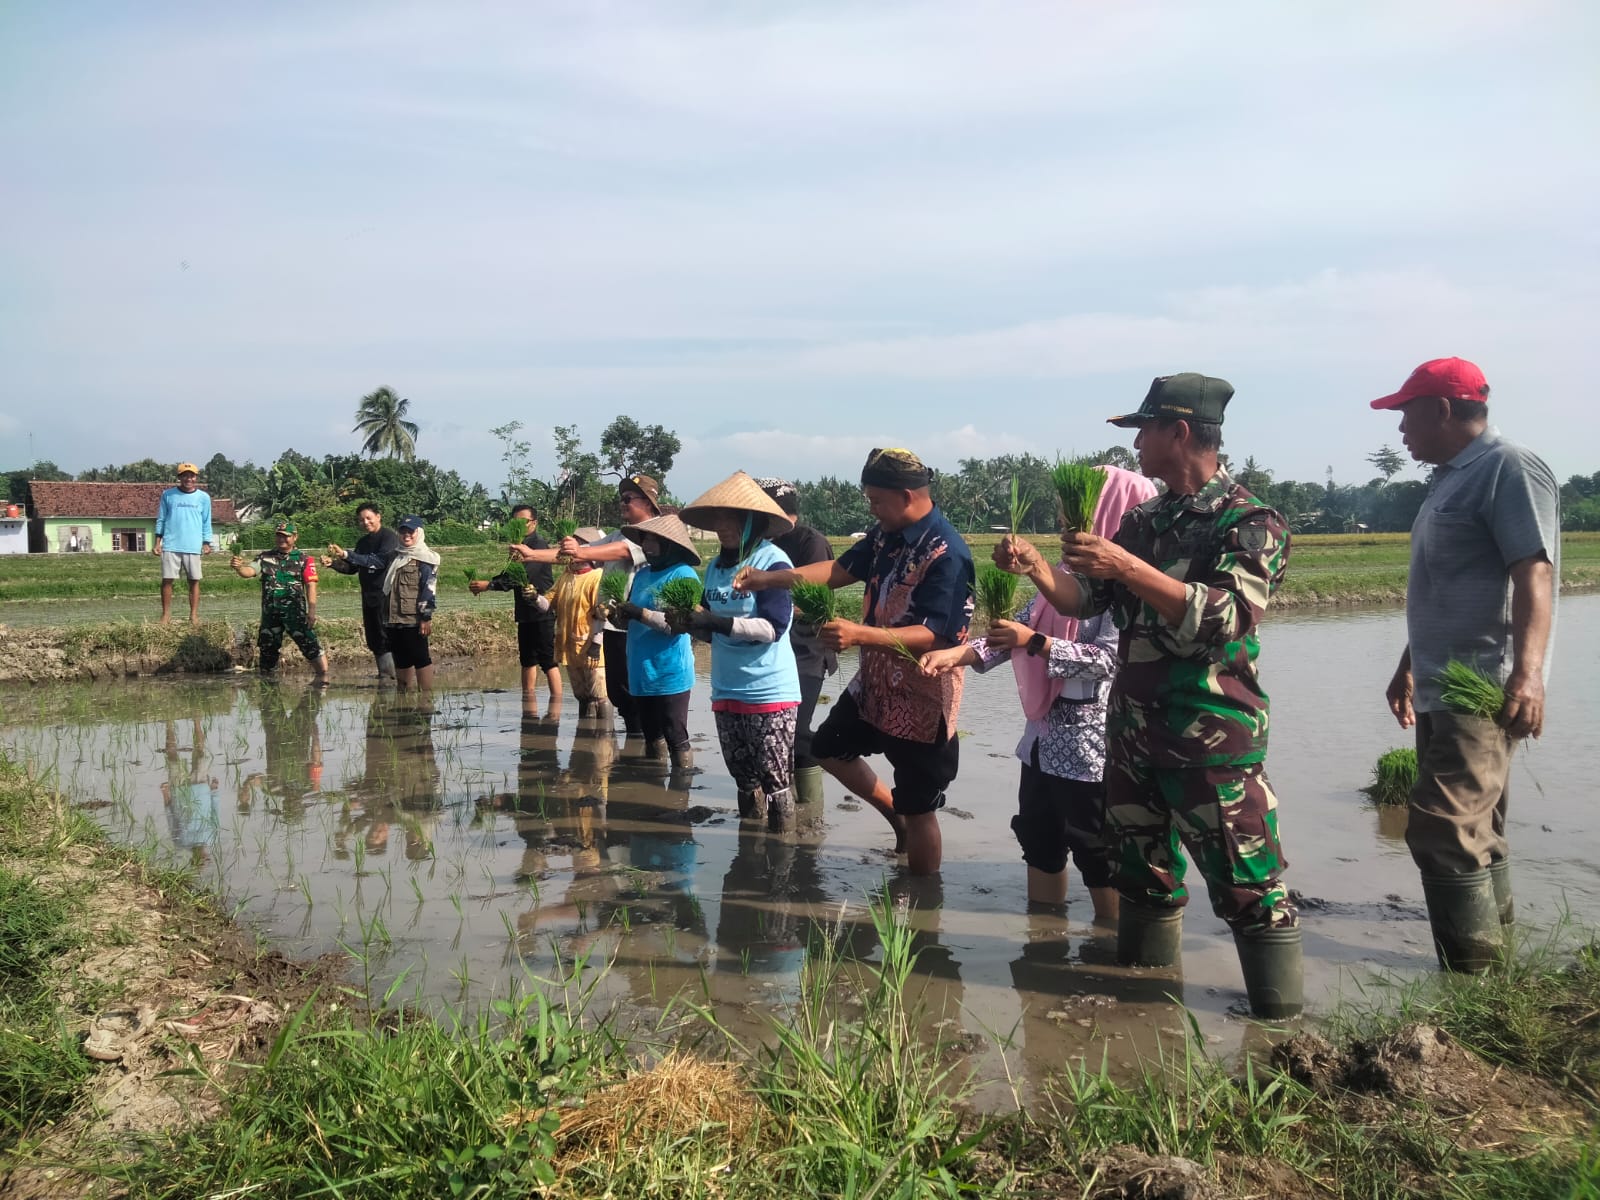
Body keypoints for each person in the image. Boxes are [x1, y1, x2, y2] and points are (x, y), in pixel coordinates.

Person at [994, 374, 1300, 1019]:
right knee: (1142, 877)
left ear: (1179, 432)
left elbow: (1221, 619)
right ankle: (1145, 1016)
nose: (1136, 444)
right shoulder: (1144, 519)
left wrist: (1126, 565)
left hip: (1209, 736)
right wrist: (1039, 569)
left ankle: (1282, 1033)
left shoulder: (1249, 521)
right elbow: (1087, 602)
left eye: (1144, 429)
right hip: (1131, 734)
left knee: (1250, 883)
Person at [1370, 357, 1559, 972]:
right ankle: (1500, 976)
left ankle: (1471, 984)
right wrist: (1410, 663)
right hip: (1442, 684)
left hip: (1480, 687)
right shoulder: (1450, 479)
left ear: (1443, 409)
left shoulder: (1508, 468)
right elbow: (1442, 584)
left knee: (1442, 830)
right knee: (1477, 831)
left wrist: (1527, 674)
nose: (1401, 430)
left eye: (1407, 414)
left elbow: (1533, 570)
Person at [921, 467, 1157, 921]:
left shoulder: (1130, 585)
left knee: (1095, 848)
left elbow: (1111, 659)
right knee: (1039, 838)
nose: (1069, 522)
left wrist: (1038, 643)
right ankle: (1043, 944)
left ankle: (1112, 944)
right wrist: (957, 655)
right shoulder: (1063, 580)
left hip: (1092, 747)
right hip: (1044, 742)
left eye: (1081, 511)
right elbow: (1014, 635)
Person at [737, 448, 974, 875]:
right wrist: (768, 578)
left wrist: (860, 634)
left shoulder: (946, 552)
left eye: (875, 500)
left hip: (922, 696)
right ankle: (893, 815)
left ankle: (923, 904)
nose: (871, 509)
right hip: (877, 684)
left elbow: (937, 635)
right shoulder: (885, 534)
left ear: (905, 496)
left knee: (921, 807)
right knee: (829, 747)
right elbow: (839, 570)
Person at [676, 471, 803, 830]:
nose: (723, 526)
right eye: (719, 518)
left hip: (768, 691)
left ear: (753, 523)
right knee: (743, 779)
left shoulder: (772, 563)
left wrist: (716, 623)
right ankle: (748, 855)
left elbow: (773, 629)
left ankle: (781, 863)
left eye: (733, 518)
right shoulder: (716, 567)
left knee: (775, 782)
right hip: (727, 688)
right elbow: (707, 627)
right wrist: (686, 622)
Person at [755, 477, 839, 810]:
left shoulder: (810, 543)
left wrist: (771, 607)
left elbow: (813, 600)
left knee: (798, 732)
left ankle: (812, 809)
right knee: (773, 735)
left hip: (806, 650)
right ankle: (784, 797)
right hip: (771, 651)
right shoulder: (760, 544)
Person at [561, 475, 662, 735]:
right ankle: (635, 745)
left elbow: (621, 552)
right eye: (621, 499)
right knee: (619, 691)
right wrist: (531, 555)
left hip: (640, 624)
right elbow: (584, 551)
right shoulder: (618, 534)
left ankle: (649, 747)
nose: (622, 503)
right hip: (614, 625)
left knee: (638, 689)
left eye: (628, 499)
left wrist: (579, 551)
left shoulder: (653, 535)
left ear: (648, 502)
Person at [614, 512, 702, 771]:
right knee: (651, 734)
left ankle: (680, 793)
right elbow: (628, 622)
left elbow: (677, 626)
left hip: (669, 671)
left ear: (671, 544)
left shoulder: (684, 575)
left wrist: (639, 613)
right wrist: (618, 614)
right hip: (640, 670)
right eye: (645, 540)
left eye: (655, 541)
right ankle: (653, 786)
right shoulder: (642, 575)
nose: (648, 547)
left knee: (675, 735)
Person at [333, 514, 438, 691]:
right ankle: (403, 698)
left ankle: (425, 701)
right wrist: (345, 554)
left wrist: (425, 617)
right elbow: (370, 561)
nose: (407, 535)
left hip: (413, 618)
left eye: (410, 532)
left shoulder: (426, 559)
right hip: (392, 618)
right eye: (403, 531)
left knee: (420, 658)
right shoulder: (393, 556)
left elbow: (429, 589)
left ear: (419, 533)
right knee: (401, 659)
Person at [476, 503, 562, 701]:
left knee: (548, 661)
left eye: (524, 521)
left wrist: (489, 585)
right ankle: (528, 706)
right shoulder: (517, 547)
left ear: (534, 523)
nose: (519, 525)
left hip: (542, 610)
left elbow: (519, 575)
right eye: (515, 522)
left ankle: (556, 708)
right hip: (525, 612)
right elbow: (510, 574)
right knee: (527, 660)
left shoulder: (538, 546)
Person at [230, 520, 330, 682]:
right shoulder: (265, 557)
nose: (282, 539)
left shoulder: (304, 559)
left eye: (286, 536)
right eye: (279, 536)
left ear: (295, 537)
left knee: (311, 647)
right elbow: (249, 571)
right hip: (271, 616)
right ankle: (269, 695)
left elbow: (311, 585)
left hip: (295, 614)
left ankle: (323, 681)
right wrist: (239, 568)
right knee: (267, 655)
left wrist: (311, 612)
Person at [325, 502, 400, 679]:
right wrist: (334, 564)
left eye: (369, 518)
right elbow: (353, 567)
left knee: (386, 635)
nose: (365, 522)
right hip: (369, 596)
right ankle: (384, 675)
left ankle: (394, 677)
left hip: (386, 596)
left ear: (378, 517)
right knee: (373, 635)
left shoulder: (389, 538)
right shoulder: (363, 542)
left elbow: (379, 561)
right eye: (361, 520)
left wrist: (346, 554)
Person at [548, 527, 610, 718]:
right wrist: (532, 596)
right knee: (582, 696)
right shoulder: (566, 576)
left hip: (592, 647)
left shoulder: (597, 577)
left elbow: (603, 615)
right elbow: (547, 602)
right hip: (570, 646)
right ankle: (584, 735)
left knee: (599, 696)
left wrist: (596, 644)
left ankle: (605, 737)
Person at [153, 462, 216, 625]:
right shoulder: (168, 495)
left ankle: (193, 615)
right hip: (171, 545)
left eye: (192, 475)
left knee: (194, 581)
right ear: (179, 477)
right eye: (185, 475)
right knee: (167, 580)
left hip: (193, 546)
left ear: (196, 477)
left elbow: (206, 522)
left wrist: (206, 542)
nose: (189, 478)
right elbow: (161, 519)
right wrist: (157, 542)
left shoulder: (203, 498)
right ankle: (166, 615)